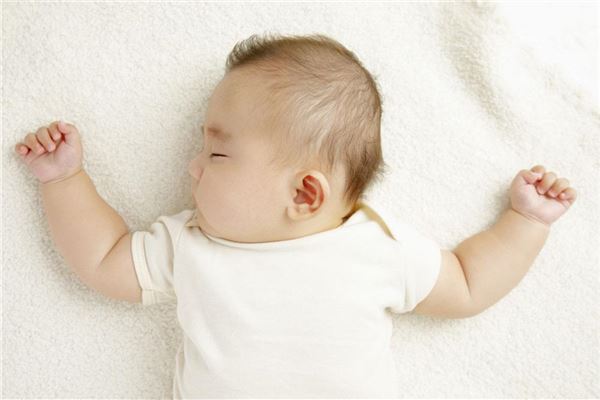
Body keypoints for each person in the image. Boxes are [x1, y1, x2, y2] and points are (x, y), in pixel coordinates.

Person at [14, 33, 577, 398]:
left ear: (305, 193)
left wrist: (526, 222)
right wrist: (65, 180)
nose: (192, 167)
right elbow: (105, 260)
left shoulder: (375, 246)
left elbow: (469, 283)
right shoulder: (192, 243)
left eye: (217, 154)